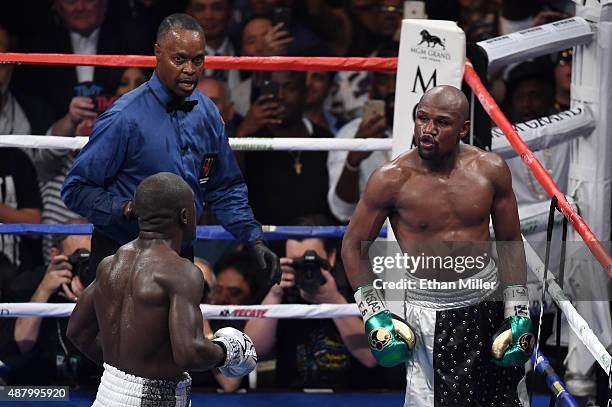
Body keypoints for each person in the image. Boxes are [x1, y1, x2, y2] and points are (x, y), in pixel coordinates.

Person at [342, 86, 534, 406]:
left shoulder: (490, 170)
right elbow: (352, 245)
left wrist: (517, 308)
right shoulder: (391, 179)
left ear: (463, 129)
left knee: (506, 400)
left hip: (489, 302)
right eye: (421, 118)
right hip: (430, 310)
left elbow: (510, 239)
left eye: (442, 122)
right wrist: (373, 312)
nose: (428, 130)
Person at [61, 13, 279, 287]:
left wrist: (253, 238)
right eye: (179, 59)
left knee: (181, 330)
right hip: (121, 254)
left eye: (197, 60)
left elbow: (225, 187)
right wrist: (127, 208)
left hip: (179, 255)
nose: (190, 69)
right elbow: (76, 189)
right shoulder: (123, 116)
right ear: (158, 54)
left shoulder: (208, 113)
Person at [67, 172, 258, 406]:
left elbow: (77, 331)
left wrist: (123, 369)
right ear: (185, 215)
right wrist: (229, 352)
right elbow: (189, 352)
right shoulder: (181, 272)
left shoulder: (110, 264)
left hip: (107, 393)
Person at [245, 215, 379, 389]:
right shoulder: (279, 288)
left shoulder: (356, 286)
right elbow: (252, 352)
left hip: (355, 397)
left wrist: (334, 302)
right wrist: (275, 295)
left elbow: (371, 357)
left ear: (331, 257)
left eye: (311, 261)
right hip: (292, 398)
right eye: (295, 262)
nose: (305, 270)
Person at [5, 228, 98, 386]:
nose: (86, 267)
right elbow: (21, 345)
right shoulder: (28, 283)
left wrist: (90, 303)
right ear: (55, 254)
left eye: (91, 260)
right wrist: (44, 290)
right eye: (79, 256)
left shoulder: (108, 285)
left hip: (93, 386)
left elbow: (117, 355)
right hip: (35, 387)